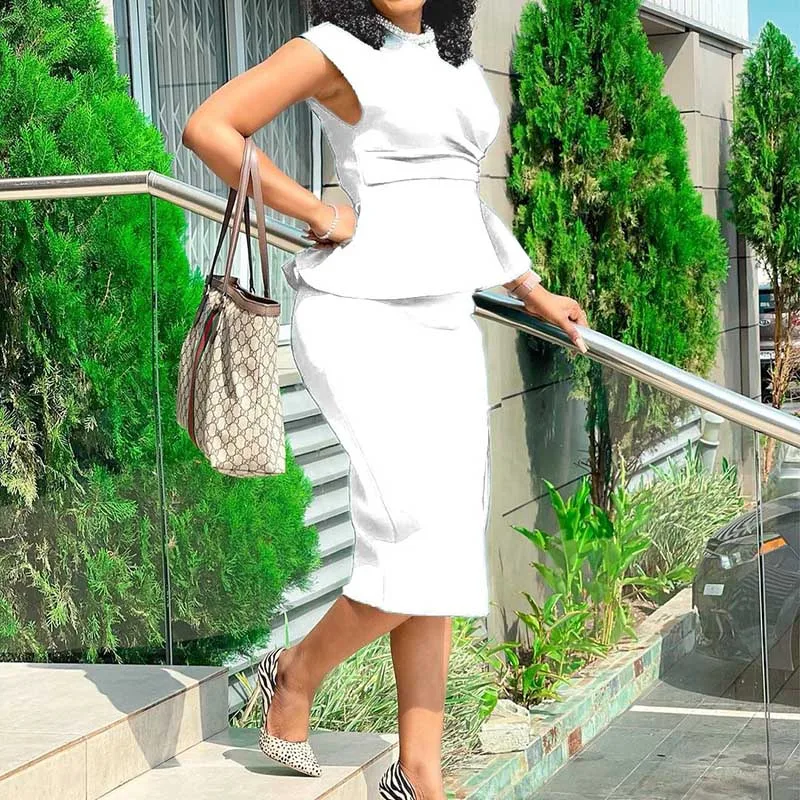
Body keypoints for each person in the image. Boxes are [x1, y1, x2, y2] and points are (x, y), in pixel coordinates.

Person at [182, 2, 589, 798]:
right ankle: (296, 673)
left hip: (445, 320)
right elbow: (210, 128)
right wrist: (318, 211)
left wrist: (529, 287)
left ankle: (419, 771)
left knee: (445, 542)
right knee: (412, 532)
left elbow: (458, 194)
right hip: (361, 316)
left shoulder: (449, 55)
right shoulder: (333, 48)